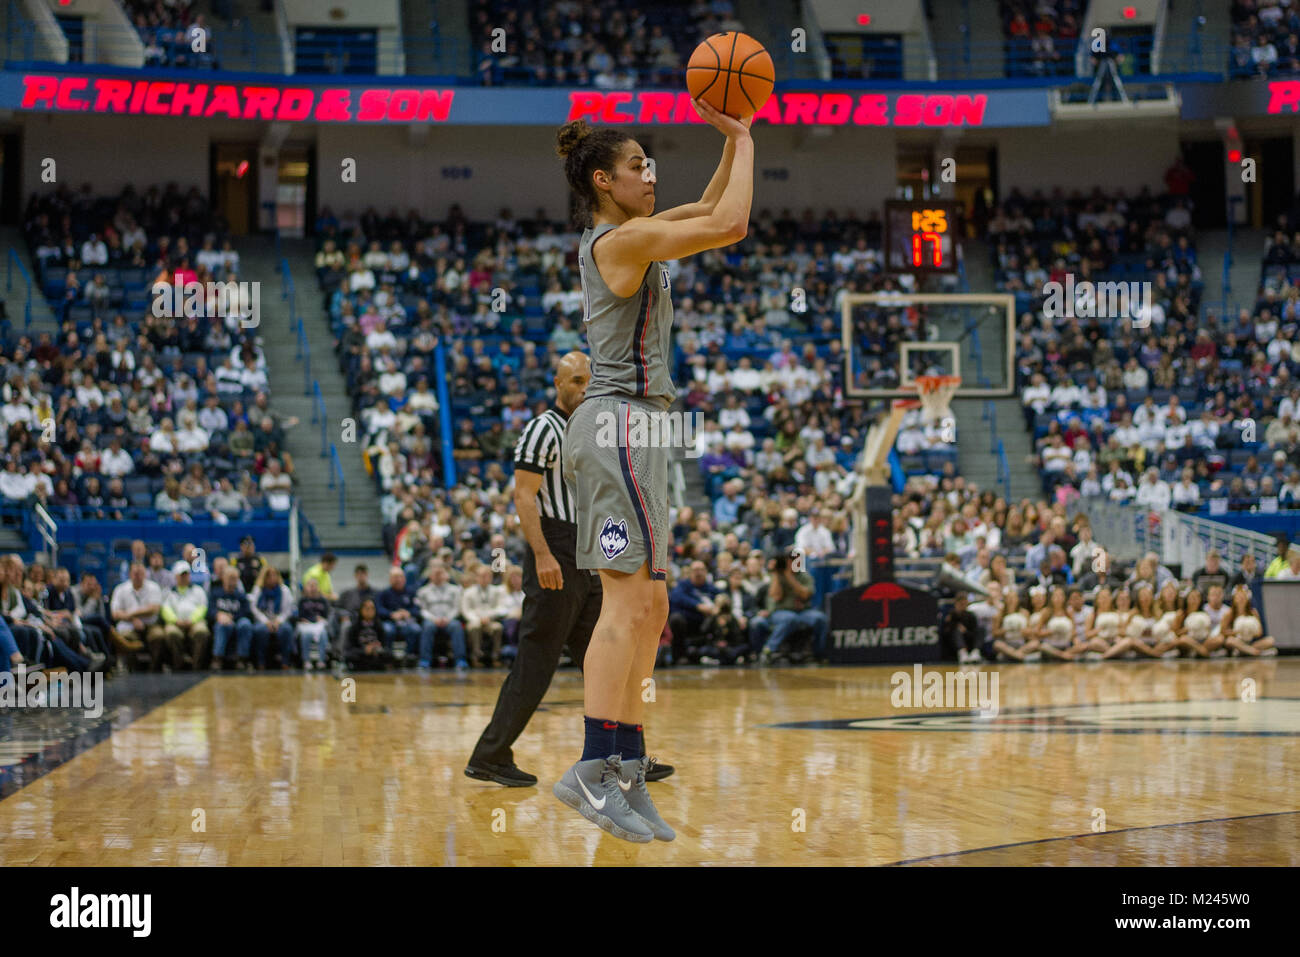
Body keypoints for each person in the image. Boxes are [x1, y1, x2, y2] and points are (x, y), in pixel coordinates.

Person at [551, 98, 753, 843]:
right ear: (604, 179)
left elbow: (706, 203)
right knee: (622, 606)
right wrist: (742, 135)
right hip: (615, 423)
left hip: (641, 427)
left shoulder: (637, 233)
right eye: (638, 165)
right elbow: (729, 223)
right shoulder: (620, 241)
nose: (651, 173)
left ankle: (627, 769)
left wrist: (735, 140)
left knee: (653, 609)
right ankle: (594, 768)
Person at [468, 353, 675, 786]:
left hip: (588, 548)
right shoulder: (542, 428)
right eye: (576, 380)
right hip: (555, 549)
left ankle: (627, 754)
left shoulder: (593, 428)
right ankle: (490, 754)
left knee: (610, 655)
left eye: (588, 380)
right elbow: (524, 498)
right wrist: (543, 555)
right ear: (558, 382)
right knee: (537, 660)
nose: (583, 388)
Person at [758, 553, 828, 664]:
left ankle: (818, 653)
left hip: (803, 612)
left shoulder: (804, 576)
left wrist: (789, 576)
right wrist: (777, 573)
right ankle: (769, 650)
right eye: (790, 560)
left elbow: (805, 595)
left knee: (820, 618)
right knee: (790, 618)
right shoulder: (776, 576)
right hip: (780, 611)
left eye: (796, 560)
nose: (793, 563)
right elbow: (776, 596)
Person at [110, 562, 166, 671]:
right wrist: (132, 619)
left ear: (145, 574)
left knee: (158, 635)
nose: (138, 575)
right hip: (128, 624)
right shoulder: (120, 589)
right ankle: (133, 669)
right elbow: (115, 613)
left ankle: (154, 669)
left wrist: (131, 613)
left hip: (151, 624)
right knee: (126, 637)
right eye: (135, 573)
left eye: (140, 573)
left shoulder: (153, 587)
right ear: (130, 574)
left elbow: (154, 609)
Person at [160, 562, 211, 670]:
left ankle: (196, 666)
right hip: (175, 623)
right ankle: (179, 664)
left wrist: (192, 620)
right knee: (171, 633)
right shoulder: (168, 592)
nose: (184, 577)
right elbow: (165, 609)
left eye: (186, 574)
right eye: (181, 575)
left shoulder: (198, 590)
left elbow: (203, 607)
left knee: (201, 631)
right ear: (175, 576)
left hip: (195, 622)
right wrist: (175, 620)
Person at [208, 566, 254, 670]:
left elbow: (247, 613)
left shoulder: (241, 595)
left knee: (245, 624)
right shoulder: (215, 593)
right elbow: (210, 611)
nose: (232, 581)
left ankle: (242, 659)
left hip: (237, 621)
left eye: (234, 578)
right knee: (222, 625)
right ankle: (217, 659)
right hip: (221, 622)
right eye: (230, 578)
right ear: (223, 578)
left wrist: (231, 617)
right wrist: (218, 615)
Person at [250, 566, 296, 669]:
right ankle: (261, 661)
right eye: (269, 576)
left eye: (274, 575)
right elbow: (254, 608)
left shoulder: (284, 590)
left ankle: (285, 661)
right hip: (263, 620)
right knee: (260, 630)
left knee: (286, 630)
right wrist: (266, 621)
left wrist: (278, 621)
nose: (272, 578)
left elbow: (288, 610)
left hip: (279, 620)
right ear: (264, 577)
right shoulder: (258, 589)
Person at [295, 577, 332, 669]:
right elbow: (300, 615)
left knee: (323, 634)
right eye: (310, 585)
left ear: (318, 587)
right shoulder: (302, 600)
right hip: (306, 624)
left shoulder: (323, 600)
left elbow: (327, 615)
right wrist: (308, 620)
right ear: (306, 588)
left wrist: (322, 619)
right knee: (305, 635)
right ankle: (306, 660)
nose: (312, 588)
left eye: (314, 585)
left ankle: (321, 660)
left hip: (319, 624)